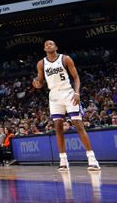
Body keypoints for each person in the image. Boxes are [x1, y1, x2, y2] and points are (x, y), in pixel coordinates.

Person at [32, 40, 100, 171]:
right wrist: (37, 84)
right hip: (54, 96)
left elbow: (76, 78)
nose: (48, 46)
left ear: (56, 47)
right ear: (44, 49)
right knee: (58, 127)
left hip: (68, 93)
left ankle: (92, 159)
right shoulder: (41, 63)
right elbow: (40, 82)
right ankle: (63, 160)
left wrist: (77, 93)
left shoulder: (65, 59)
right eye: (46, 45)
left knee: (78, 125)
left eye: (51, 44)